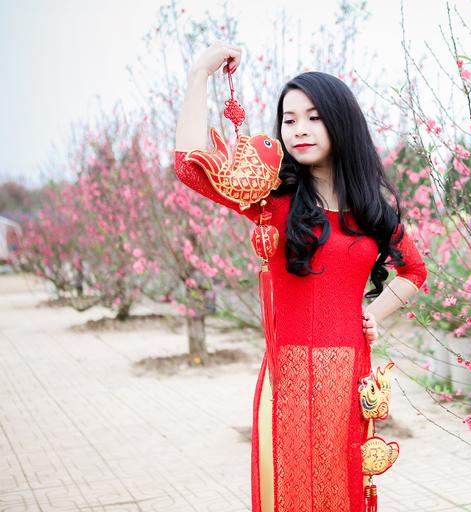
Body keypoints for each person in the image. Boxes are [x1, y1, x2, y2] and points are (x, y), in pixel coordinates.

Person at [173, 41, 428, 512]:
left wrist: (374, 313)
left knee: (344, 495)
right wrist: (199, 75)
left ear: (341, 122)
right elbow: (190, 169)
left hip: (349, 381)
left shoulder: (372, 209)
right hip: (286, 380)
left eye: (313, 117)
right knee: (287, 495)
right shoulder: (272, 200)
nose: (299, 129)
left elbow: (415, 270)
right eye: (288, 120)